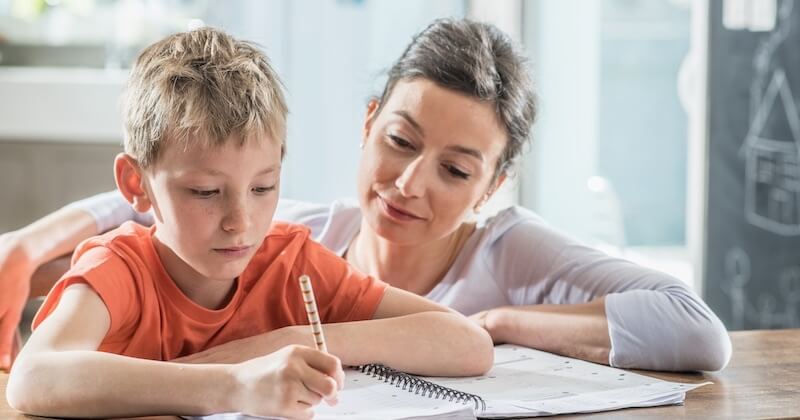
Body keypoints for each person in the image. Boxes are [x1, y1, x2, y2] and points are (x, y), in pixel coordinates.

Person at [0, 18, 731, 375]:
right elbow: (166, 206)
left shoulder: (511, 247)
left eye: (456, 169)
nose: (409, 185)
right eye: (401, 142)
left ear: (495, 185)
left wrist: (502, 319)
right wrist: (31, 242)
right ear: (367, 122)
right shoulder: (305, 234)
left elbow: (697, 329)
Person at [4, 27, 493, 419]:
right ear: (137, 184)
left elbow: (469, 344)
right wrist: (235, 383)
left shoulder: (292, 262)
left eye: (263, 188)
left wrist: (287, 341)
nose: (241, 222)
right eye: (205, 193)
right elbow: (32, 381)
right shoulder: (119, 269)